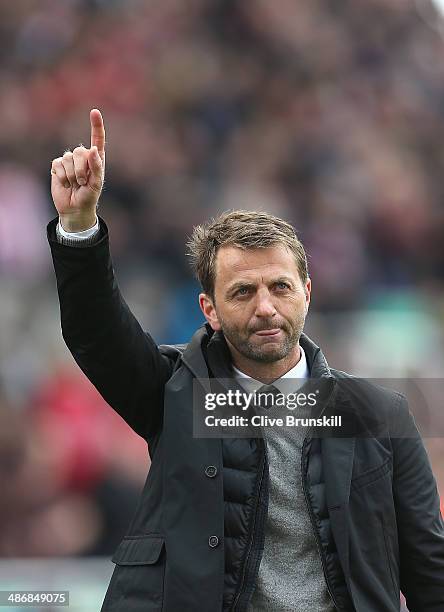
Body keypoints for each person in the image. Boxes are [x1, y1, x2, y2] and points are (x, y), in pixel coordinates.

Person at [47, 109, 444, 612]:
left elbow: (429, 568)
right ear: (208, 309)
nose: (265, 307)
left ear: (306, 292)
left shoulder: (380, 414)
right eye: (242, 291)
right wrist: (79, 229)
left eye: (280, 287)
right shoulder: (173, 393)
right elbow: (96, 335)